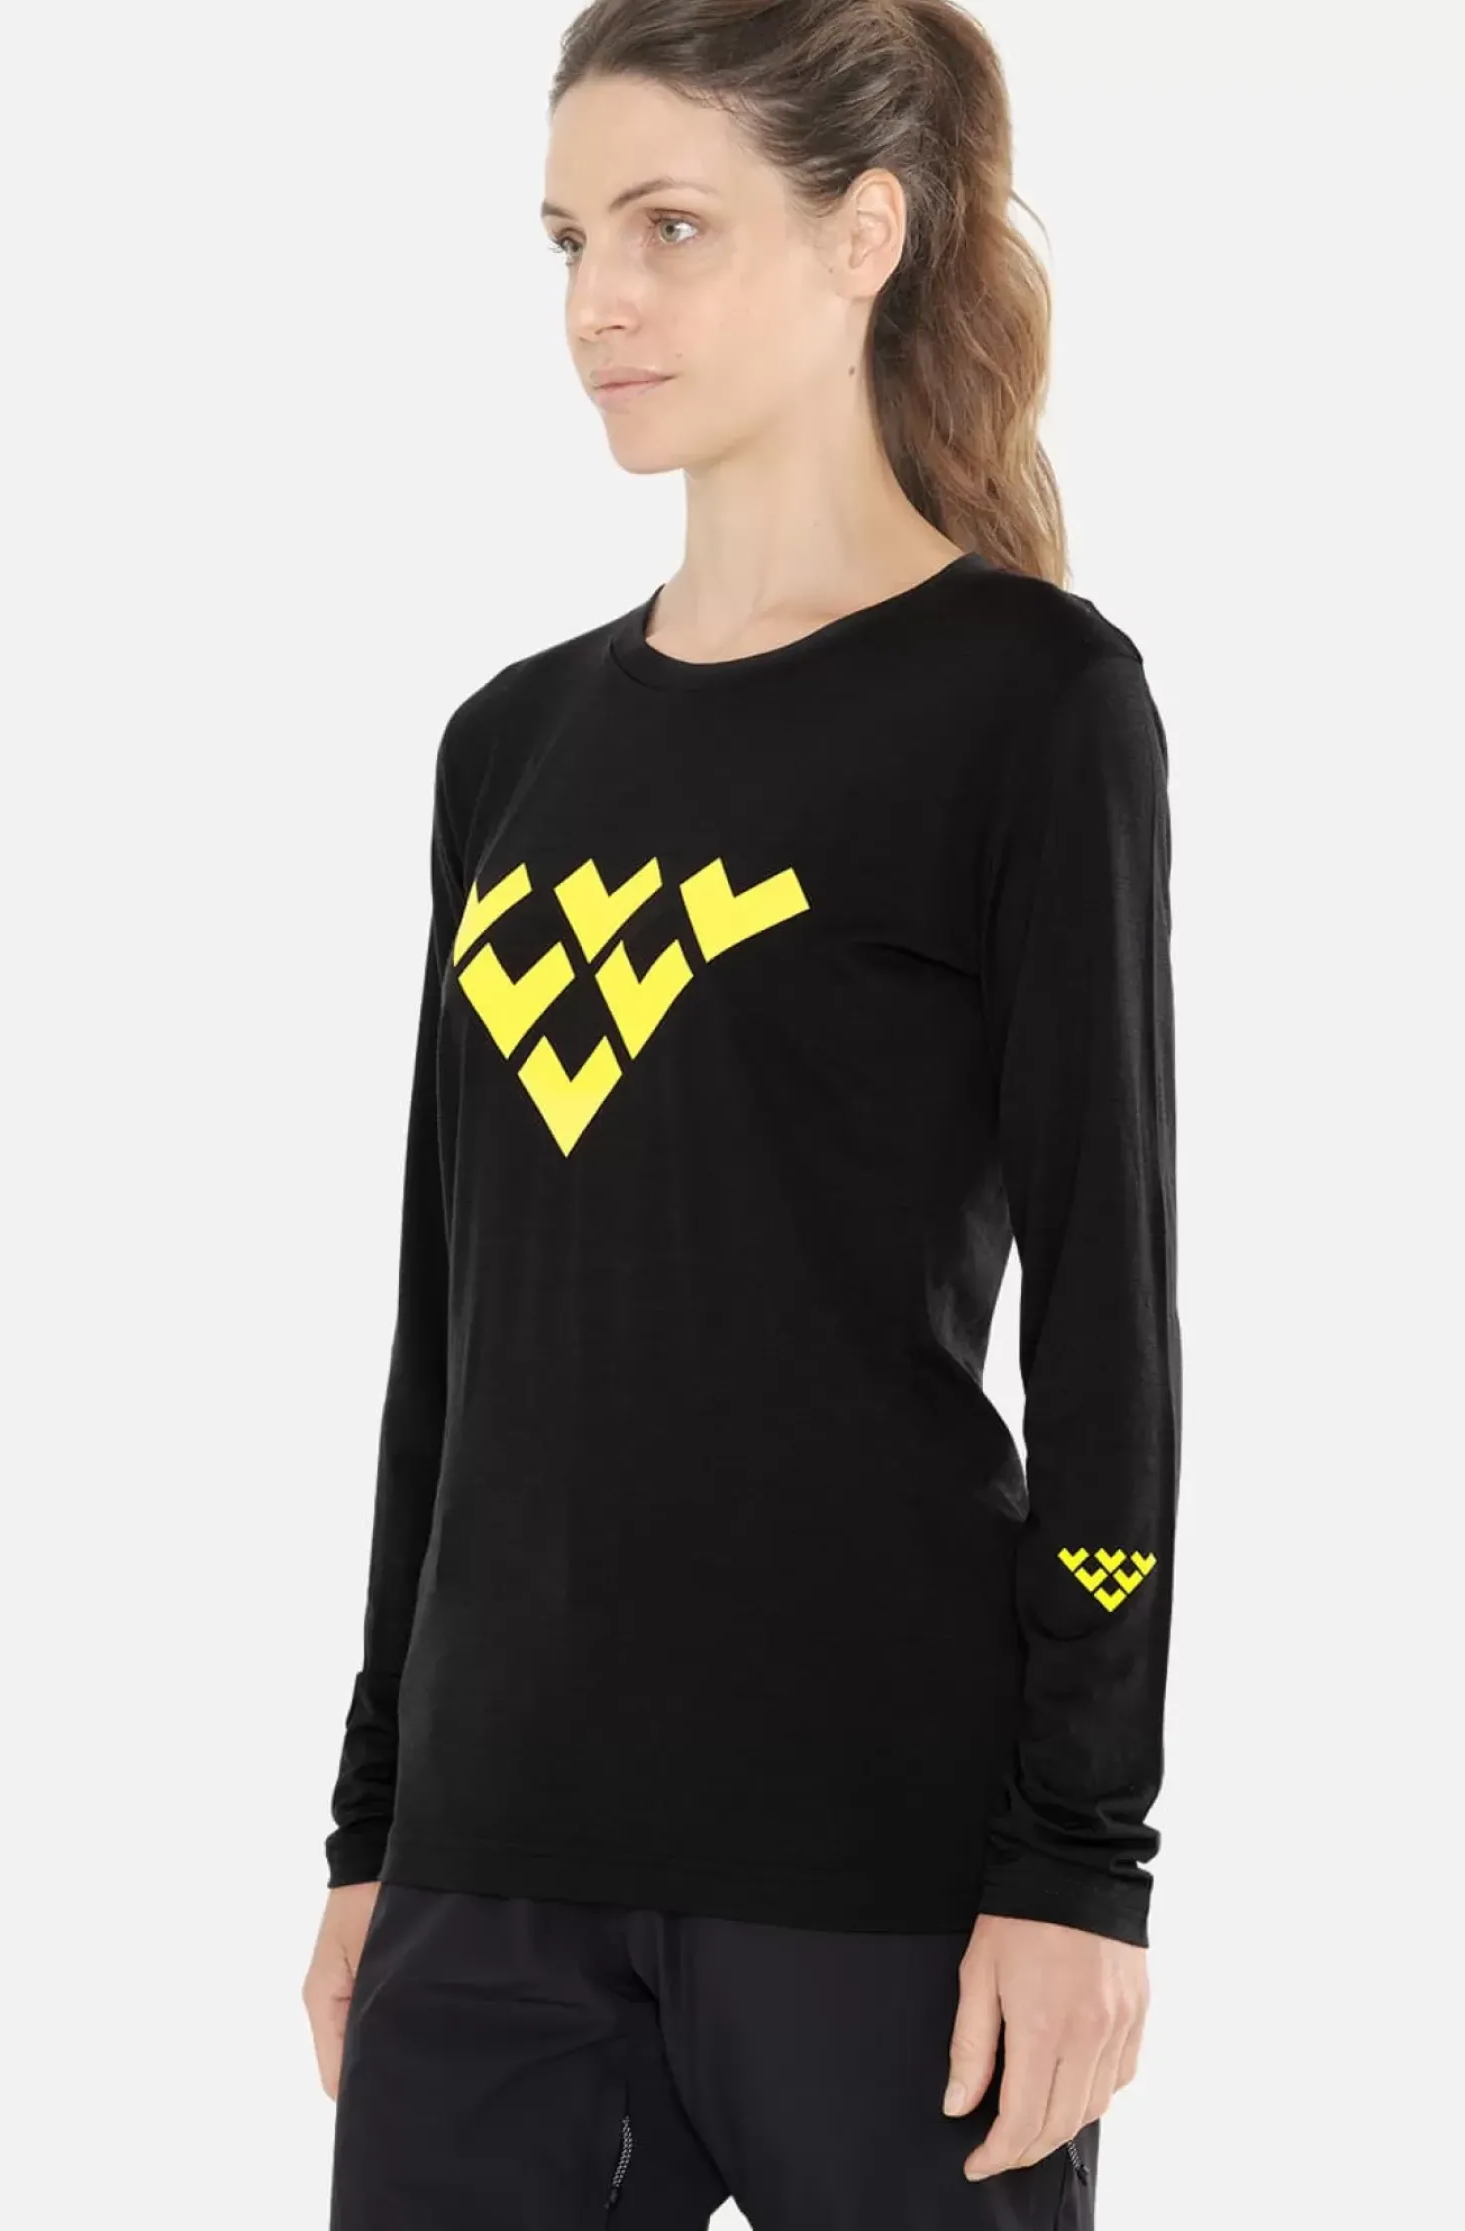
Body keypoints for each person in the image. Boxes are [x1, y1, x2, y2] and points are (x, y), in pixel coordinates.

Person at [300, 4, 1181, 2224]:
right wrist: (375, 1825)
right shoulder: (510, 749)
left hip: (879, 1869)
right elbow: (452, 1333)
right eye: (570, 237)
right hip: (494, 1867)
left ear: (865, 233)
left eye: (670, 227)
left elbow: (1107, 1341)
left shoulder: (1028, 704)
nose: (598, 299)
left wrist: (1083, 1860)